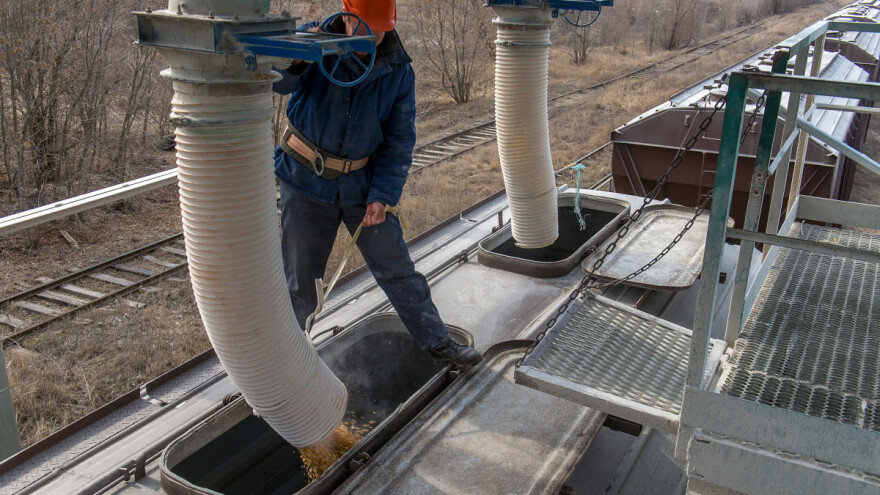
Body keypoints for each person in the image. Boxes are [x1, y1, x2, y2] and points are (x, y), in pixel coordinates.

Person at [272, 0, 481, 366]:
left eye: (380, 28)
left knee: (396, 266)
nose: (372, 36)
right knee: (300, 284)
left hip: (362, 186)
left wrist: (382, 195)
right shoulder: (315, 44)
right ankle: (287, 364)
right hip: (306, 182)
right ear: (346, 15)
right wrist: (299, 54)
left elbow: (399, 140)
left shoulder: (398, 70)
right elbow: (280, 82)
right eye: (364, 26)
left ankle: (438, 343)